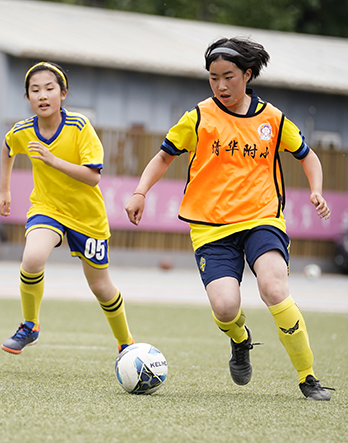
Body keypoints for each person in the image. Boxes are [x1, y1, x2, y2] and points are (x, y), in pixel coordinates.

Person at [125, 38, 334, 400]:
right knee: (225, 308)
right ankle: (240, 339)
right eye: (213, 78)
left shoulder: (272, 119)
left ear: (247, 74)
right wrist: (140, 192)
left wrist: (316, 189)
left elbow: (308, 156)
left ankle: (308, 377)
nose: (220, 86)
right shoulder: (198, 117)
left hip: (261, 217)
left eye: (228, 77)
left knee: (274, 288)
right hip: (210, 227)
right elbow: (163, 157)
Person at [0, 61, 134, 354]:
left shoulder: (79, 126)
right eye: (35, 90)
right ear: (27, 98)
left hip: (87, 217)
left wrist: (53, 160)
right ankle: (30, 326)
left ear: (63, 94)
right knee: (32, 259)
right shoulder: (23, 130)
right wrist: (4, 190)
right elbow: (8, 148)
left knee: (101, 287)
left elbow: (93, 176)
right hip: (47, 208)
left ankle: (126, 343)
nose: (42, 95)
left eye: (49, 88)